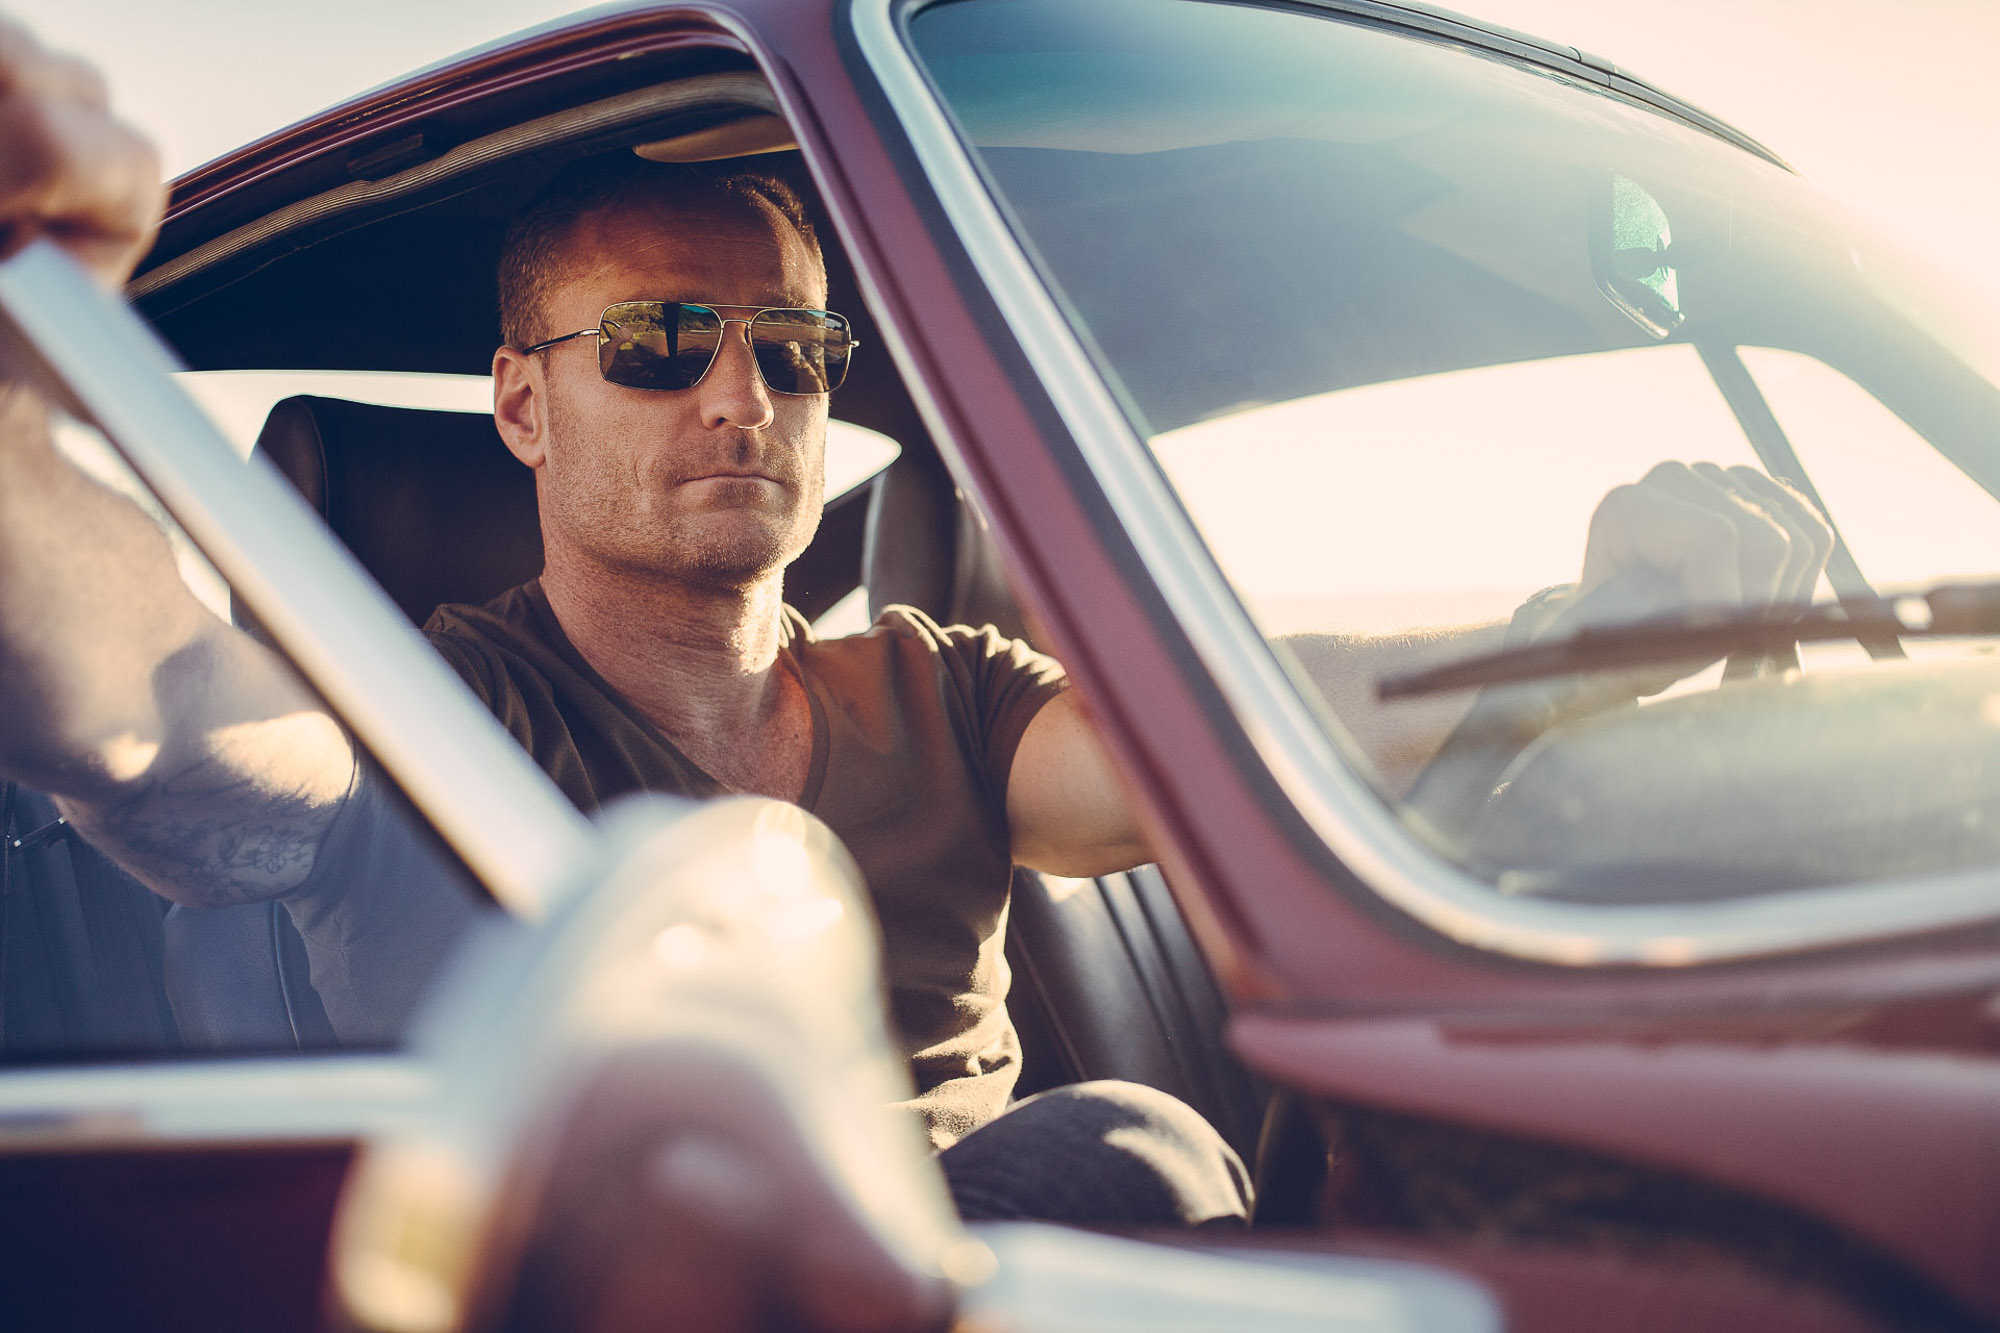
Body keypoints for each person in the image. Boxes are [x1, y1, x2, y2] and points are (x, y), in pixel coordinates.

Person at [0, 19, 1830, 1232]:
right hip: (677, 1282)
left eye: (793, 355)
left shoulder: (931, 686)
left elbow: (1234, 748)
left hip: (1030, 1267)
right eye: (657, 343)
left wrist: (1582, 624)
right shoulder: (439, 706)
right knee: (1127, 1151)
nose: (741, 399)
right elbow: (159, 719)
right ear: (521, 404)